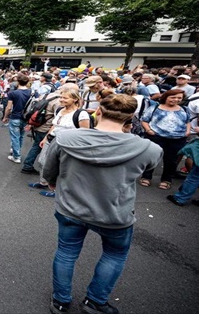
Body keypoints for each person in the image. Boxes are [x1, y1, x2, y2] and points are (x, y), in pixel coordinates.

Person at [42, 94, 162, 314]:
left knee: (67, 252)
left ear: (97, 112)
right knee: (114, 254)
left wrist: (52, 183)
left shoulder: (66, 138)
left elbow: (49, 170)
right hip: (115, 213)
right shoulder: (148, 148)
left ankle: (60, 301)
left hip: (71, 208)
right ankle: (95, 302)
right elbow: (148, 166)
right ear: (131, 118)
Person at [30, 89, 90, 198]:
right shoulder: (59, 110)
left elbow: (84, 133)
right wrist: (45, 138)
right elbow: (55, 125)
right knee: (42, 161)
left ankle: (56, 190)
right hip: (51, 139)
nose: (61, 100)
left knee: (60, 167)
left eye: (65, 98)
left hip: (67, 144)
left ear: (75, 99)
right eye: (61, 97)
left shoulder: (81, 114)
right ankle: (44, 182)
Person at [139, 89, 191, 190]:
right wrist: (149, 130)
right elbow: (144, 120)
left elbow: (187, 121)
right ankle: (146, 177)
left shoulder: (184, 109)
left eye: (179, 98)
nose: (176, 99)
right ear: (166, 97)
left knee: (171, 161)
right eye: (173, 97)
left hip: (177, 139)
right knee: (152, 157)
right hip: (157, 137)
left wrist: (187, 131)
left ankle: (166, 180)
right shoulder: (155, 107)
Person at [3, 73, 32, 164]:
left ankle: (16, 156)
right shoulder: (31, 92)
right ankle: (17, 152)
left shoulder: (12, 93)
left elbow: (8, 107)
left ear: (18, 82)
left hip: (15, 116)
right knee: (21, 136)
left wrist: (5, 116)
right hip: (26, 117)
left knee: (15, 137)